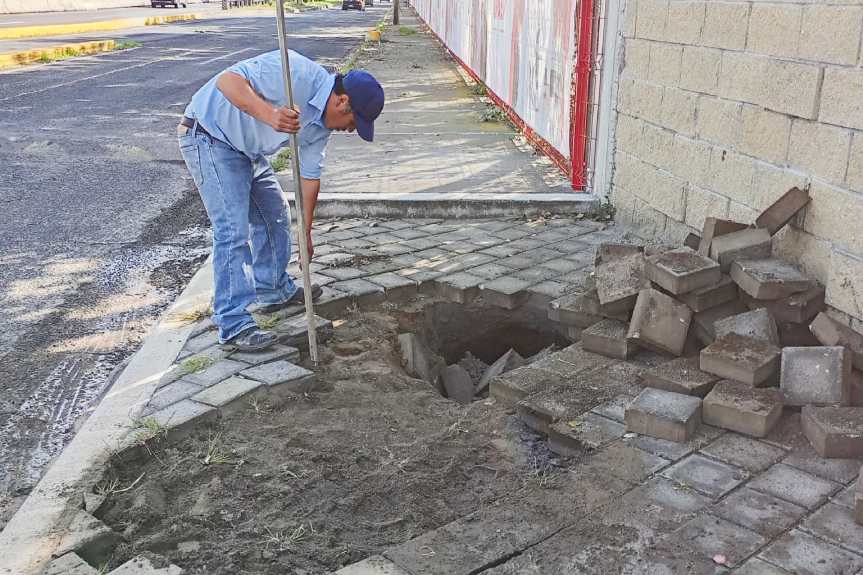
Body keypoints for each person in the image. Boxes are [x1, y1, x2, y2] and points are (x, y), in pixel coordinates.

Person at [178, 49, 384, 352]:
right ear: (342, 101)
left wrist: (306, 233)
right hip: (210, 135)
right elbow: (227, 81)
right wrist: (270, 115)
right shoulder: (295, 72)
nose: (352, 130)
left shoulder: (322, 127)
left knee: (274, 214)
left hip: (248, 149)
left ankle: (273, 289)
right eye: (354, 121)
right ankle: (233, 324)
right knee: (233, 231)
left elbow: (309, 178)